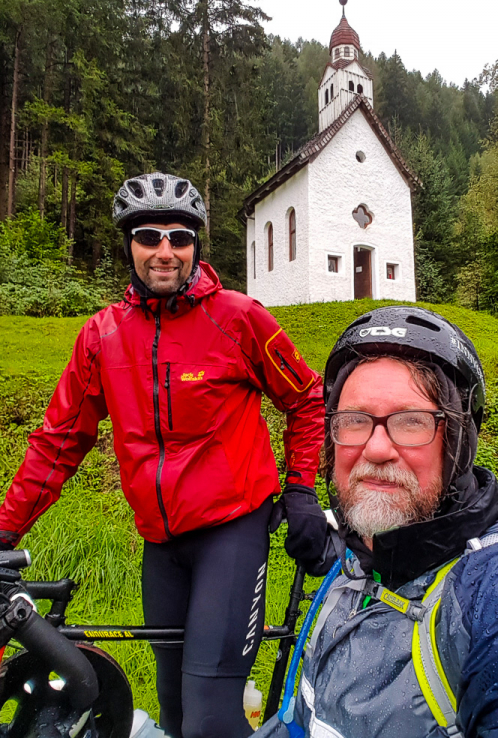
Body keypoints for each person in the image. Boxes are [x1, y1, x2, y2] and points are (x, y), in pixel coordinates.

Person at [0, 173, 327, 738]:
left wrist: (300, 488)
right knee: (174, 712)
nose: (165, 251)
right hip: (160, 544)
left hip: (233, 531)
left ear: (197, 246)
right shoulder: (101, 337)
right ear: (130, 244)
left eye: (180, 237)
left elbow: (307, 398)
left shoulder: (239, 318)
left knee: (209, 718)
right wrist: (3, 533)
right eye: (149, 236)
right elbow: (58, 443)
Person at [256, 305, 498, 738]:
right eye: (354, 421)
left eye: (411, 421)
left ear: (458, 444)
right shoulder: (355, 560)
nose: (376, 449)